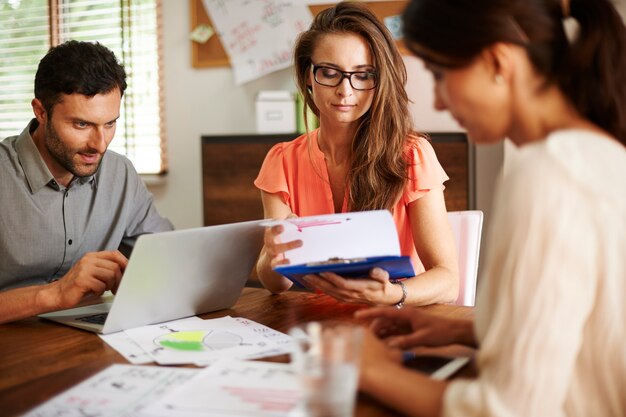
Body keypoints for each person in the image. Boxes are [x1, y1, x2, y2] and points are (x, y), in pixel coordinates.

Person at [356, 0, 626, 416]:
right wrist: (467, 331)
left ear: (499, 60)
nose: (441, 103)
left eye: (441, 75)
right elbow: (586, 329)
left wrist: (366, 370)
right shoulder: (601, 154)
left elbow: (504, 409)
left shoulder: (548, 173)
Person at [254, 2, 459, 307]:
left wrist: (395, 294)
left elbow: (448, 280)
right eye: (329, 72)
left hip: (393, 321)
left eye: (363, 75)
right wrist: (273, 256)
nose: (345, 90)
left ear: (380, 81)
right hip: (323, 326)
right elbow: (275, 284)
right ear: (308, 76)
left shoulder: (412, 156)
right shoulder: (282, 161)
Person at [0, 41, 173, 324]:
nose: (100, 144)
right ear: (41, 112)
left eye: (109, 124)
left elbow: (166, 255)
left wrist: (151, 273)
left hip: (93, 340)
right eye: (81, 125)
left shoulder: (120, 172)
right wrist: (55, 294)